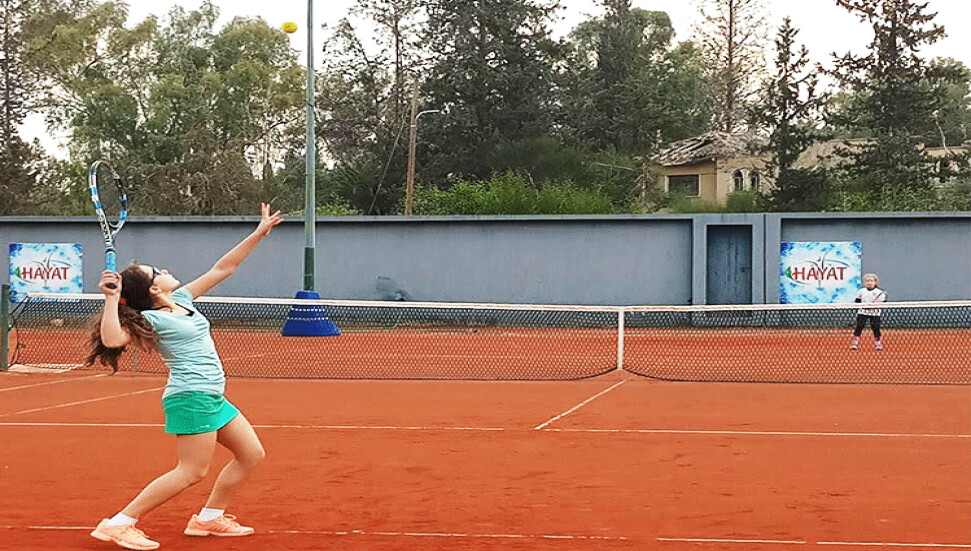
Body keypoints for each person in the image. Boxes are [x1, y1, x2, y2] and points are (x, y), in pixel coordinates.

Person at [85, 203, 282, 550]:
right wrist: (111, 300)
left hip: (212, 396)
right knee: (191, 471)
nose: (164, 270)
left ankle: (208, 519)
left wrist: (257, 234)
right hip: (191, 396)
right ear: (153, 290)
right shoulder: (153, 319)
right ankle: (119, 523)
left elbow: (224, 267)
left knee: (251, 454)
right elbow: (113, 339)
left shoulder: (183, 299)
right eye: (156, 272)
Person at [851, 273, 886, 351]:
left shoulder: (879, 293)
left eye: (871, 281)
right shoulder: (861, 291)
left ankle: (878, 344)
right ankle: (854, 343)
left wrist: (873, 307)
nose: (869, 283)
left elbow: (882, 304)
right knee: (859, 327)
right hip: (862, 312)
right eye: (867, 281)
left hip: (875, 314)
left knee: (876, 328)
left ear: (875, 282)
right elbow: (857, 302)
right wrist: (863, 307)